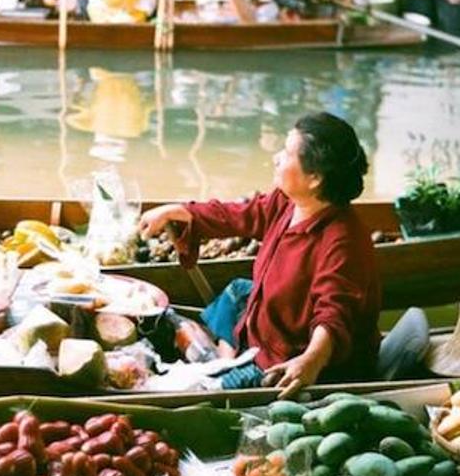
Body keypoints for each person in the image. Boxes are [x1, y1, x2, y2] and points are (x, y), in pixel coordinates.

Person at [138, 112, 380, 397]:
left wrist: (311, 360)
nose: (276, 157)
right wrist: (182, 211)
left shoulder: (343, 242)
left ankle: (225, 368)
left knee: (203, 391)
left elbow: (334, 314)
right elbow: (242, 214)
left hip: (286, 358)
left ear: (314, 177)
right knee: (238, 291)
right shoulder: (290, 201)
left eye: (287, 153)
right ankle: (226, 358)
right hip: (273, 325)